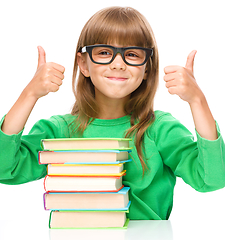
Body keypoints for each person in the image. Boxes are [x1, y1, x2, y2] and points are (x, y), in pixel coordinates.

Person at [0, 6, 224, 220]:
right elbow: (6, 169)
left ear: (148, 68)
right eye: (105, 52)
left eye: (133, 54)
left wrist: (198, 101)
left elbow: (211, 179)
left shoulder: (160, 129)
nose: (118, 64)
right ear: (84, 64)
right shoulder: (59, 131)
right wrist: (29, 95)